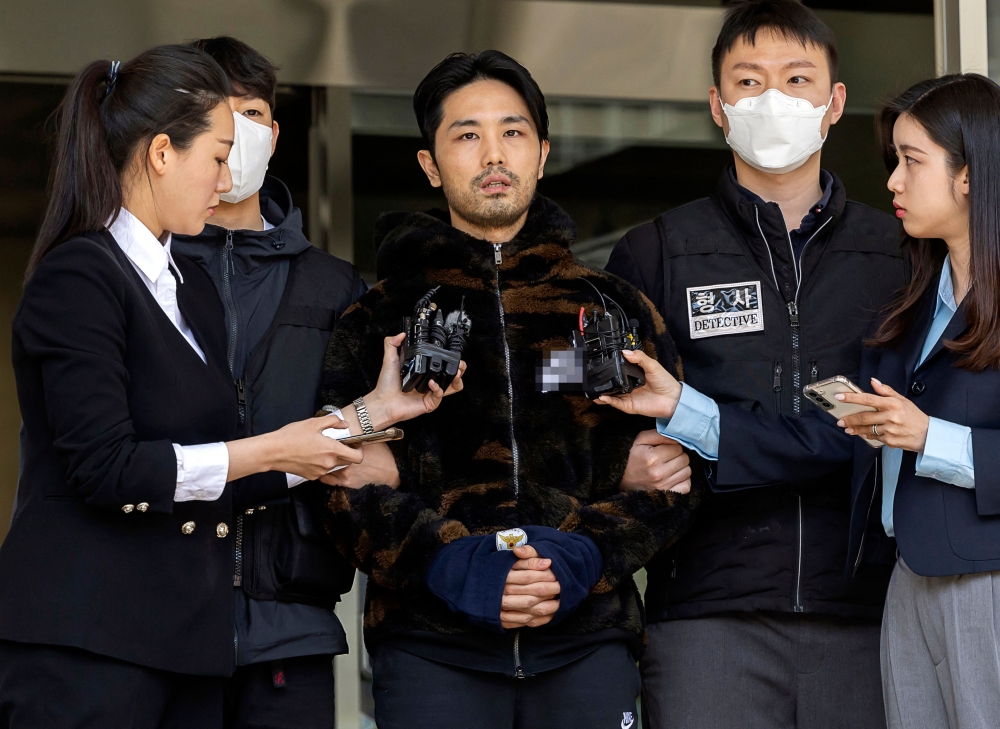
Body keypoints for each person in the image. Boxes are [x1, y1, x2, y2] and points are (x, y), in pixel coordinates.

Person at [0, 45, 455, 727]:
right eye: (217, 156)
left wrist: (374, 411)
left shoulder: (189, 294)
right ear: (161, 154)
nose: (225, 179)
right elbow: (107, 467)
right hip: (88, 637)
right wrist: (272, 450)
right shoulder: (80, 276)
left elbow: (230, 468)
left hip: (185, 648)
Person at [313, 50, 698, 729]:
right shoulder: (377, 317)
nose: (494, 153)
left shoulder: (610, 307)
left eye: (513, 132)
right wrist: (457, 563)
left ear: (543, 152)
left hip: (587, 641)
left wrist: (578, 552)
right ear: (431, 164)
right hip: (431, 650)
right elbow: (337, 486)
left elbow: (676, 472)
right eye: (467, 135)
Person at [603, 2, 906, 727]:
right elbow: (596, 409)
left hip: (869, 611)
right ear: (717, 105)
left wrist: (701, 425)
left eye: (797, 79)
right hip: (707, 612)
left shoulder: (897, 254)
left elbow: (893, 428)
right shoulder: (658, 249)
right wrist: (623, 462)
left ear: (834, 104)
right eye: (748, 81)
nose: (772, 100)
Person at [173, 36, 395, 729]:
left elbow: (377, 443)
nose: (239, 134)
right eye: (219, 115)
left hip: (291, 624)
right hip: (160, 620)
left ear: (276, 131)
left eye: (255, 113)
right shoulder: (141, 271)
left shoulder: (332, 284)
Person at [832, 73, 1000, 729]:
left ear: (969, 173)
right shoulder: (916, 298)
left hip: (985, 578)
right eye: (893, 161)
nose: (893, 182)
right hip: (907, 574)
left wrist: (927, 436)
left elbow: (932, 435)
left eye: (912, 161)